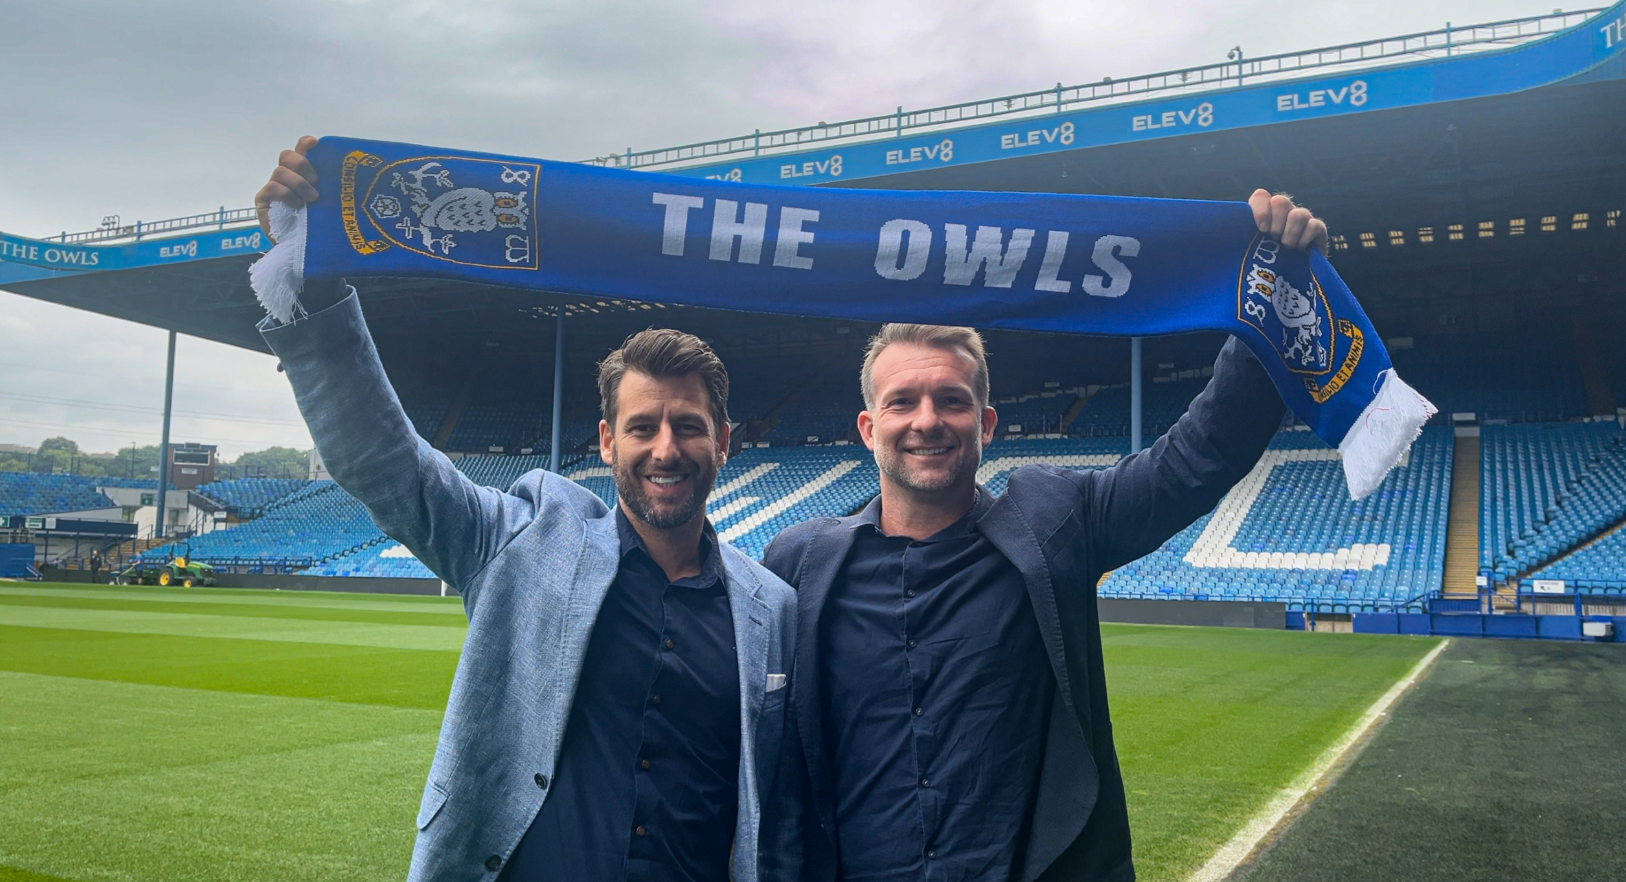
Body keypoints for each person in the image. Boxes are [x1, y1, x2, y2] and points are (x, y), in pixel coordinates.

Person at [254, 138, 801, 882]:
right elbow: (386, 463)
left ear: (726, 441)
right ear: (607, 441)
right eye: (642, 427)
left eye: (689, 426)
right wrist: (309, 281)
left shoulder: (773, 610)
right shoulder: (521, 541)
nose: (665, 448)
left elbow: (784, 805)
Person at [762, 195, 1326, 882]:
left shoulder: (1058, 519)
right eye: (902, 402)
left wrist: (1270, 297)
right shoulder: (799, 561)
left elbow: (1198, 457)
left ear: (988, 422)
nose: (927, 420)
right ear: (866, 428)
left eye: (952, 400)